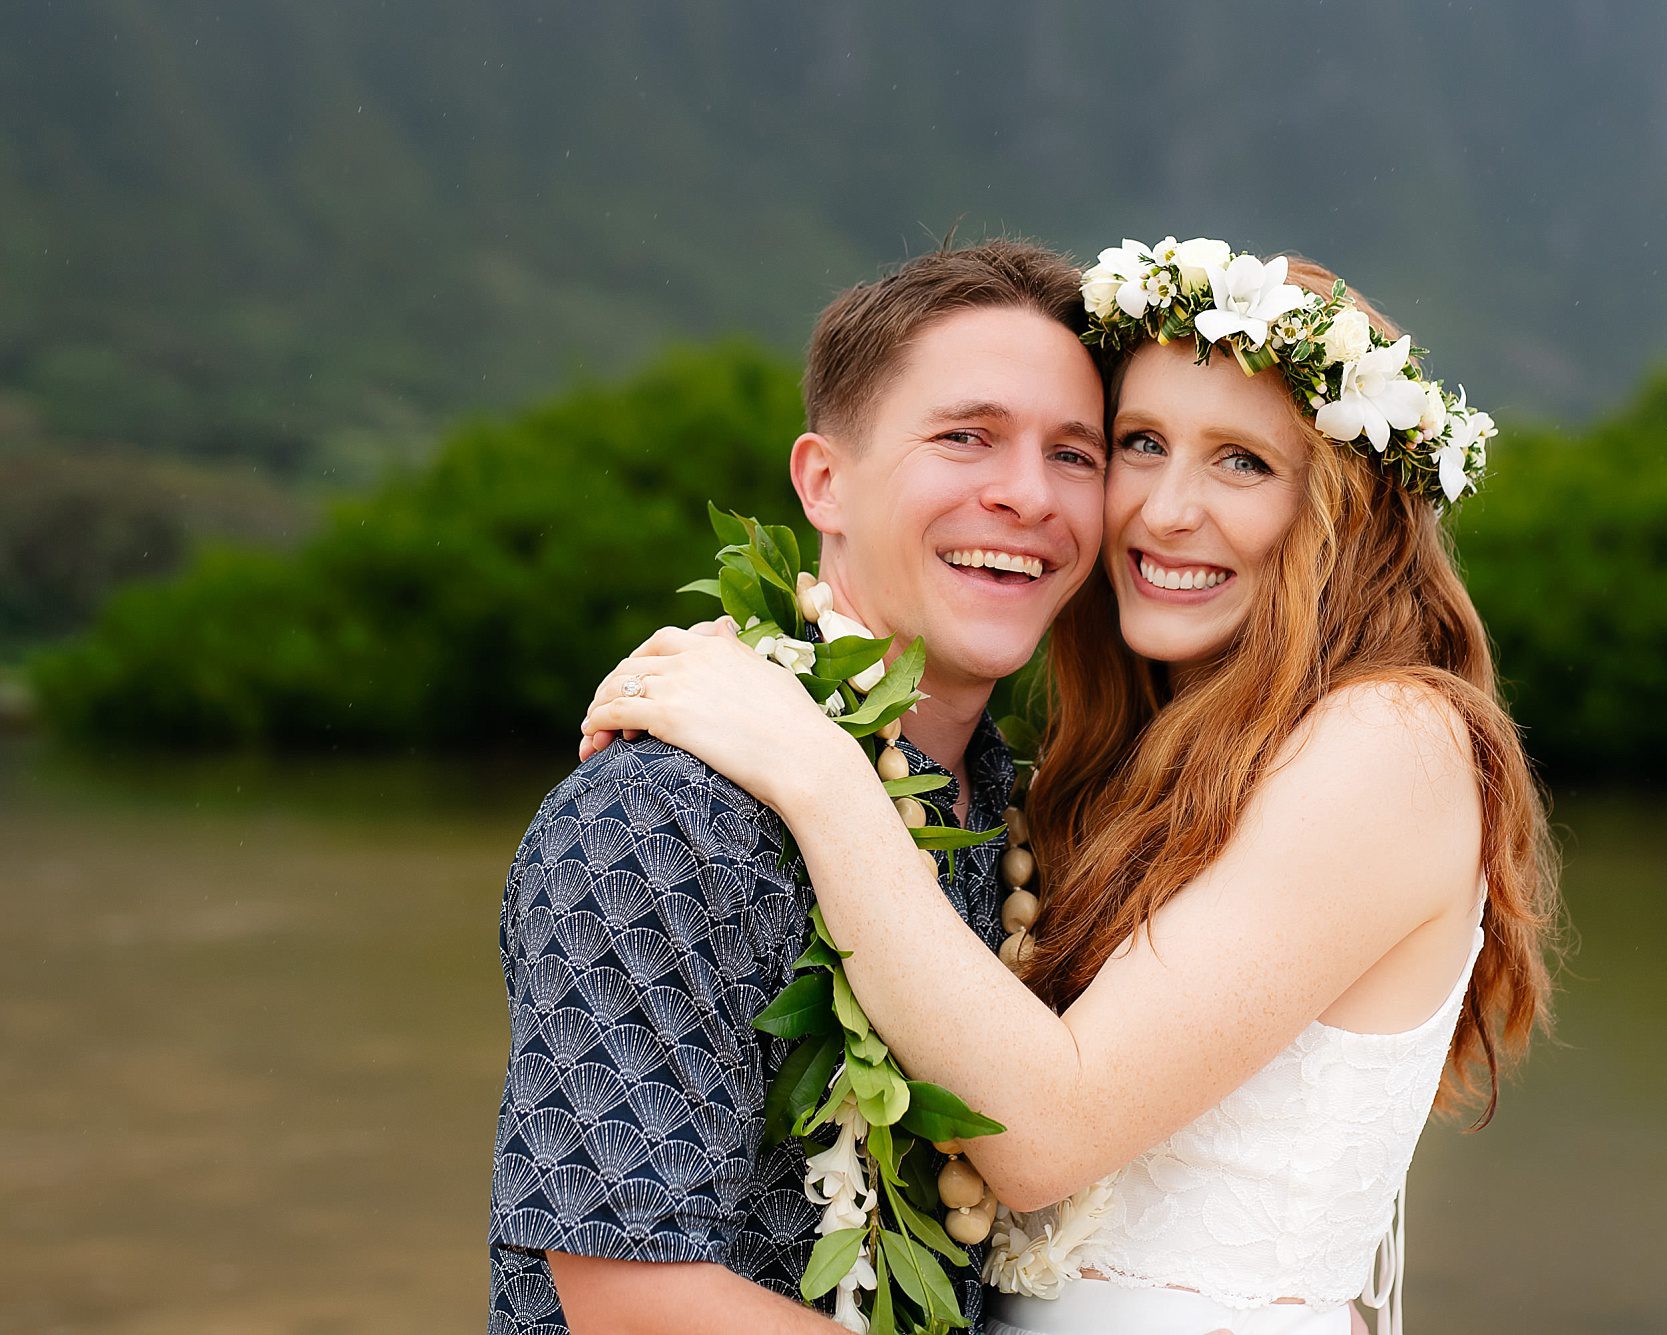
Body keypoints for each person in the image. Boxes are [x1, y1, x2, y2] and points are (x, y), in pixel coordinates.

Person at [580, 239, 1561, 1335]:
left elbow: (1048, 1133)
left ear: (1340, 506)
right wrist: (780, 687)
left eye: (1240, 461)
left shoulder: (1391, 741)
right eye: (1139, 445)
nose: (1164, 511)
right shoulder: (1097, 775)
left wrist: (807, 758)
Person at [488, 239, 1111, 1334]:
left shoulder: (1025, 822)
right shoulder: (665, 811)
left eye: (1075, 454)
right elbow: (633, 1300)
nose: (1025, 495)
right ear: (823, 480)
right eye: (965, 437)